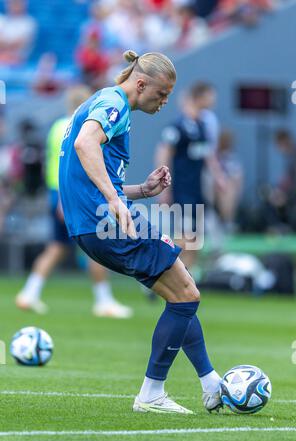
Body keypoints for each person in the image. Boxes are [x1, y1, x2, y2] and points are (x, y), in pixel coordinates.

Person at [59, 50, 222, 414]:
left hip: (92, 223)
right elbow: (85, 145)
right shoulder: (113, 101)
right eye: (161, 94)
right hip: (106, 222)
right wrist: (114, 201)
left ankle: (212, 384)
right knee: (186, 293)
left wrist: (138, 191)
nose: (164, 102)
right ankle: (152, 393)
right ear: (141, 83)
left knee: (181, 292)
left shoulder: (101, 100)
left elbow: (87, 170)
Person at [16, 85, 132, 319]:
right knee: (95, 243)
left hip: (55, 192)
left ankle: (30, 292)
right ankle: (103, 300)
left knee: (57, 247)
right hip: (67, 195)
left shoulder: (58, 126)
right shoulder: (76, 128)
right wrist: (63, 199)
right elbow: (67, 165)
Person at [155, 82, 223, 275]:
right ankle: (160, 273)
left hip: (197, 190)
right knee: (185, 236)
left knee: (195, 238)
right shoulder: (177, 126)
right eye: (210, 96)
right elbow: (163, 152)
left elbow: (207, 154)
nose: (213, 101)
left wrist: (218, 177)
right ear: (198, 97)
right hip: (182, 189)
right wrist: (164, 187)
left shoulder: (202, 125)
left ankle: (185, 278)